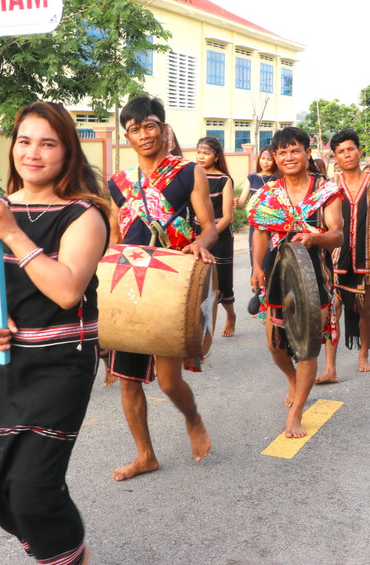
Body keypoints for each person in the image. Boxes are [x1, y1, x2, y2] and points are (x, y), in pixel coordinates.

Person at [0, 101, 111, 565]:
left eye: (48, 143)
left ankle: (69, 557)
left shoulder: (83, 214)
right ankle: (70, 550)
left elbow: (68, 290)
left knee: (30, 493)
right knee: (15, 491)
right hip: (9, 364)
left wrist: (12, 233)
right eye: (24, 141)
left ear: (67, 152)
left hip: (61, 363)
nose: (33, 153)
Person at [105, 95, 216, 480]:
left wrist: (201, 242)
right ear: (127, 137)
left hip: (171, 285)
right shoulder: (117, 183)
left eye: (149, 125)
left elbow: (210, 225)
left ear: (163, 128)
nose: (143, 134)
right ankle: (145, 455)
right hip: (129, 285)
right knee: (128, 381)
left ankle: (193, 417)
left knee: (169, 382)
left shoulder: (188, 172)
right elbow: (115, 238)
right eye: (134, 129)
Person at [247, 126, 343, 438]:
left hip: (316, 275)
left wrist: (316, 238)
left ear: (306, 153)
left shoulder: (326, 191)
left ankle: (297, 411)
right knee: (276, 344)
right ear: (274, 157)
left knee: (308, 347)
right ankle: (292, 379)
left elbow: (338, 233)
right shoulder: (267, 194)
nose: (289, 157)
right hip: (277, 273)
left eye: (295, 150)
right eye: (282, 152)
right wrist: (256, 267)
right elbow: (261, 232)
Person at [316, 129, 370, 382]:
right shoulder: (329, 186)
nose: (347, 154)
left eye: (351, 149)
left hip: (367, 256)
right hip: (336, 258)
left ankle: (363, 355)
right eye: (341, 151)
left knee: (365, 309)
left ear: (359, 151)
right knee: (333, 311)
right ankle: (330, 368)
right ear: (334, 157)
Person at [195, 136, 237, 336]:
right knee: (196, 283)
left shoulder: (224, 180)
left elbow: (228, 217)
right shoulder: (193, 176)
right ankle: (201, 327)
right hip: (195, 236)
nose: (201, 156)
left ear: (216, 156)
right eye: (199, 152)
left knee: (223, 284)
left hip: (220, 237)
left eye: (206, 153)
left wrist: (207, 235)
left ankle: (231, 315)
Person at [234, 146, 278, 266]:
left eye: (269, 159)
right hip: (256, 227)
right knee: (256, 260)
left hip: (274, 227)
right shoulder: (252, 178)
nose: (265, 161)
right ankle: (257, 285)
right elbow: (242, 203)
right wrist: (237, 203)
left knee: (271, 262)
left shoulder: (278, 178)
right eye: (263, 158)